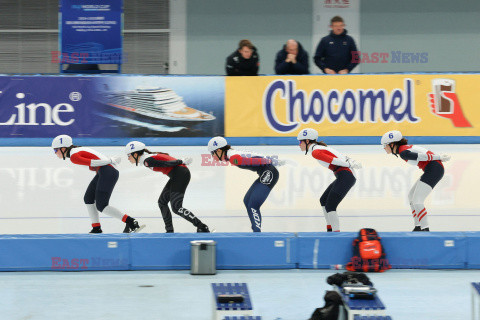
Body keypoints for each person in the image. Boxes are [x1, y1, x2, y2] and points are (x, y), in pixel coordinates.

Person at [51, 135, 145, 234]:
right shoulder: (76, 150)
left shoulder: (74, 156)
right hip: (104, 171)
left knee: (102, 206)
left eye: (55, 150)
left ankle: (131, 222)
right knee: (88, 198)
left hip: (107, 171)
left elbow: (93, 162)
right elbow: (93, 164)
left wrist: (110, 160)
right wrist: (109, 162)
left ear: (63, 148)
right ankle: (96, 228)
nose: (55, 153)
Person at [125, 141, 211, 233]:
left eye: (129, 155)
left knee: (176, 207)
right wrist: (180, 161)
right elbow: (166, 161)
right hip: (178, 174)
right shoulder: (147, 159)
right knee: (162, 202)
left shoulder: (147, 161)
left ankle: (202, 226)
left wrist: (181, 161)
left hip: (180, 174)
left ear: (135, 154)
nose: (128, 158)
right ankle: (169, 231)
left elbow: (166, 164)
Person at [207, 137, 282, 232]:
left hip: (270, 172)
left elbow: (252, 161)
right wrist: (269, 160)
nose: (212, 156)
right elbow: (255, 156)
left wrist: (269, 161)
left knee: (253, 205)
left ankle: (257, 233)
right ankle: (256, 230)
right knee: (247, 200)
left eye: (212, 153)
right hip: (266, 171)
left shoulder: (233, 157)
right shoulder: (231, 155)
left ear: (218, 150)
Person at [381, 130, 451, 231]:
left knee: (417, 200)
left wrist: (439, 157)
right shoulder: (403, 149)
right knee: (411, 196)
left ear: (392, 144)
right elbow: (422, 154)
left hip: (434, 169)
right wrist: (437, 157)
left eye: (385, 145)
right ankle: (418, 226)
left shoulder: (403, 152)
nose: (384, 148)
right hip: (433, 168)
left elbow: (421, 157)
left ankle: (425, 228)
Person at [297, 128, 361, 232]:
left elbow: (335, 160)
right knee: (323, 200)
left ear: (307, 141)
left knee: (331, 205)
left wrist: (350, 164)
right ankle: (330, 229)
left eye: (300, 142)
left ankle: (335, 234)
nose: (299, 144)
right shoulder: (318, 148)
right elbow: (341, 156)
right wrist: (351, 162)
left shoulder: (315, 151)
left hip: (346, 175)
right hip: (344, 174)